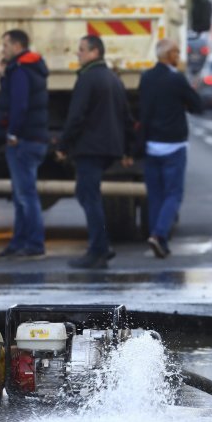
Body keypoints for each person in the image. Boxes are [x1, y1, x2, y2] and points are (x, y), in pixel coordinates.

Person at [56, 35, 134, 269]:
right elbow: (126, 117)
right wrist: (128, 149)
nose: (77, 54)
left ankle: (98, 249)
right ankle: (101, 246)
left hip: (90, 147)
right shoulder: (113, 78)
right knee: (88, 194)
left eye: (81, 50)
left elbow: (76, 116)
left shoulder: (87, 78)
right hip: (108, 147)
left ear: (94, 52)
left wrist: (63, 145)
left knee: (89, 197)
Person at [138, 39, 203, 258]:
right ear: (168, 55)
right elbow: (197, 106)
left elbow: (143, 111)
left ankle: (160, 241)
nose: (179, 56)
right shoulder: (176, 79)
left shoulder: (146, 78)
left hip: (151, 144)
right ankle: (158, 234)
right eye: (176, 52)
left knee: (155, 195)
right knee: (174, 194)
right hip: (174, 145)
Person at [0, 29, 49, 258]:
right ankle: (20, 242)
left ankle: (33, 243)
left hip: (23, 140)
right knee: (22, 194)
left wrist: (12, 133)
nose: (2, 50)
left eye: (5, 45)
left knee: (25, 195)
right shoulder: (31, 68)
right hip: (34, 138)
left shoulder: (20, 71)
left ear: (16, 46)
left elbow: (18, 104)